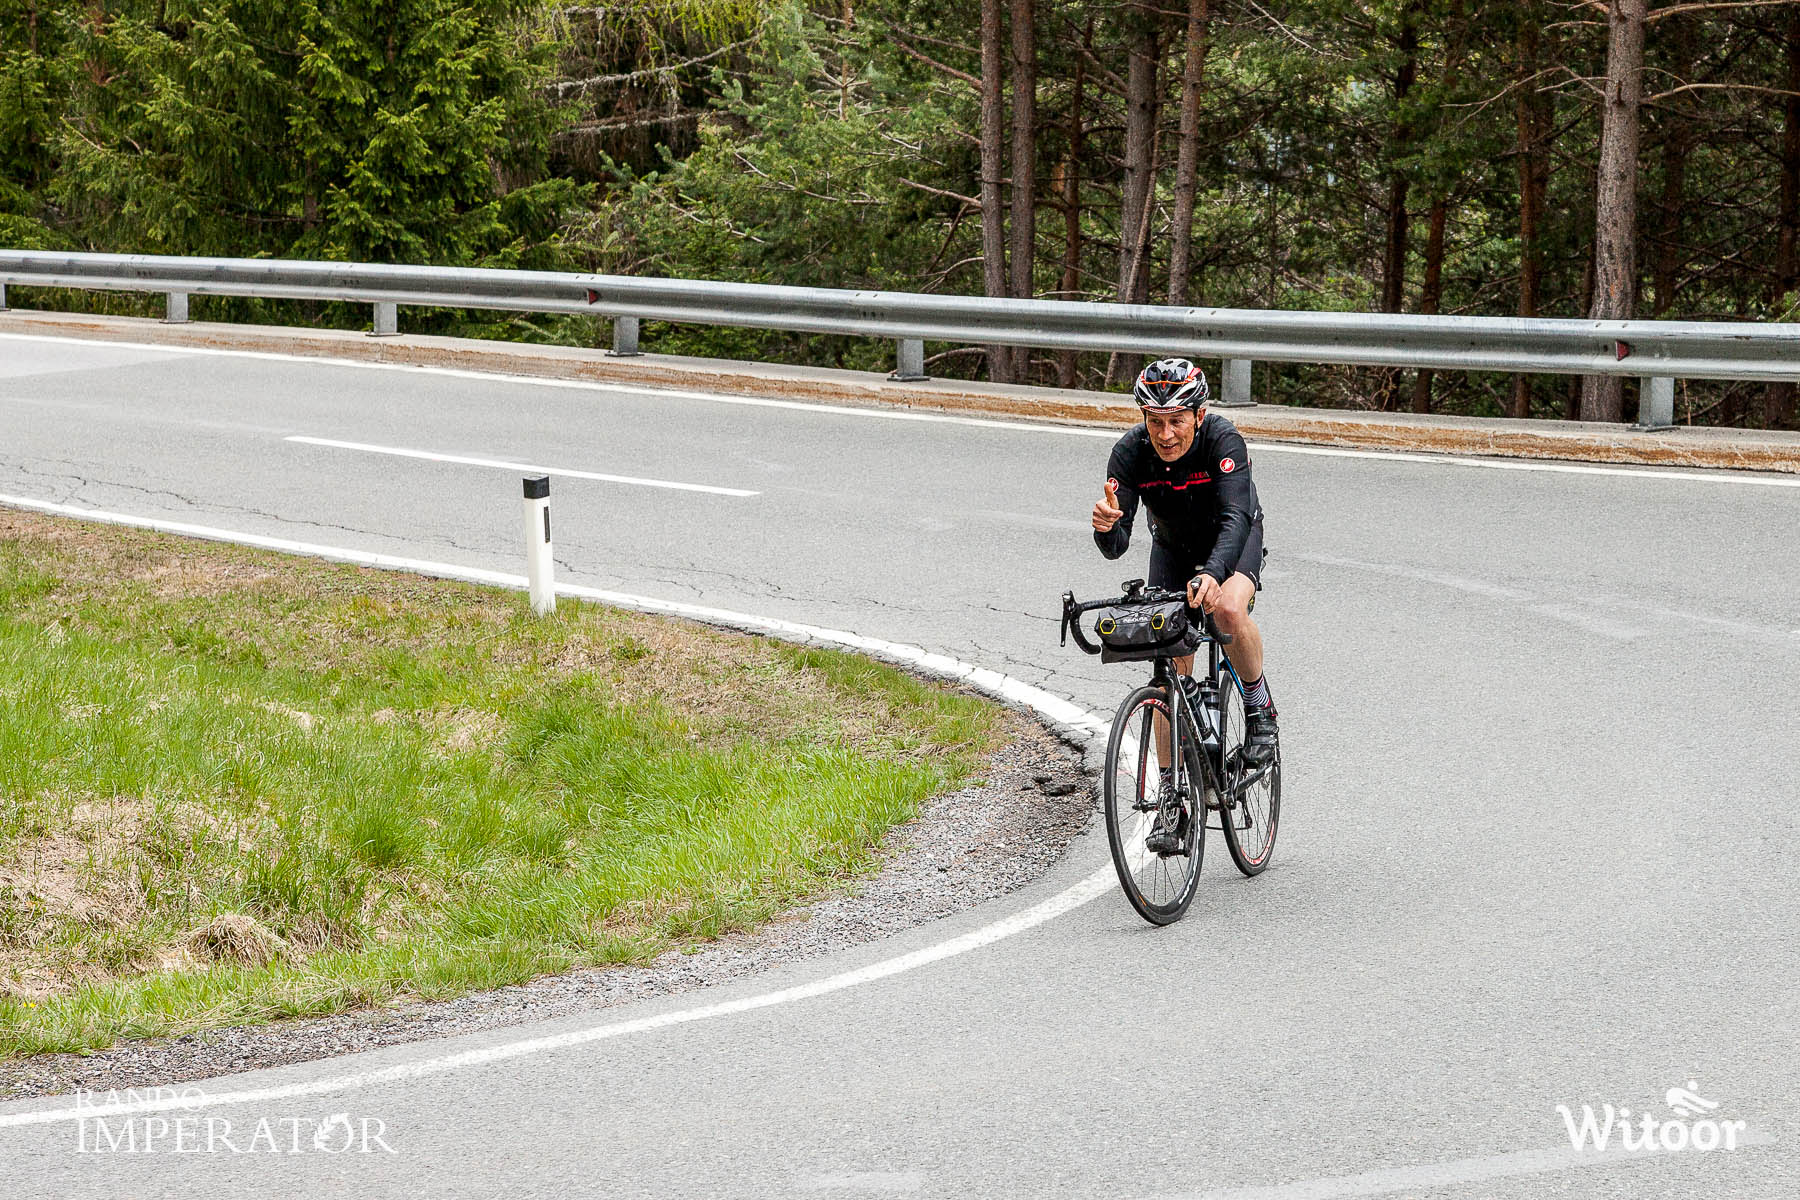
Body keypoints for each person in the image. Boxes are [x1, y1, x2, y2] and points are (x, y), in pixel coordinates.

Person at [1090, 358, 1277, 851]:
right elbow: (1117, 545)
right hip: (1172, 548)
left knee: (1227, 611)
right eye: (1155, 422)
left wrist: (1214, 574)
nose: (1166, 434)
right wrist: (1106, 527)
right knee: (1167, 669)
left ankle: (1260, 711)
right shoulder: (1128, 454)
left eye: (1176, 421)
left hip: (1232, 537)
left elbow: (1236, 516)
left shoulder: (1223, 441)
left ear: (1199, 415)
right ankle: (1173, 798)